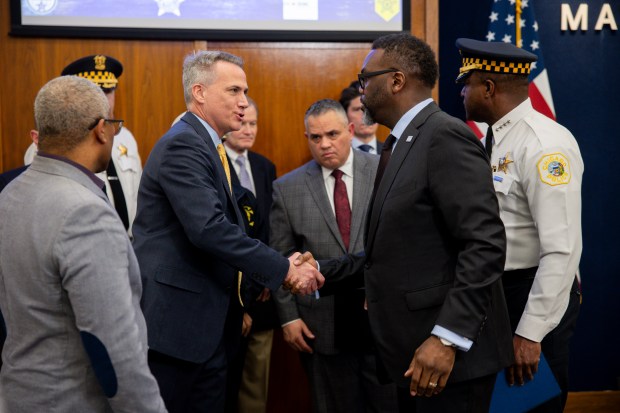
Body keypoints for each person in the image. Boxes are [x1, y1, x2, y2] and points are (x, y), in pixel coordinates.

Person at [301, 33, 514, 413]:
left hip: (446, 360)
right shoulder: (403, 143)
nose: (361, 90)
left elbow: (484, 245)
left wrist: (446, 338)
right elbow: (392, 253)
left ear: (396, 81)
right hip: (410, 354)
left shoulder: (443, 136)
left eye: (366, 79)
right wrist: (319, 271)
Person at [131, 50, 323, 413]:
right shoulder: (184, 143)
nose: (244, 103)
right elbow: (209, 229)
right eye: (234, 91)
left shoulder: (210, 144)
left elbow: (241, 222)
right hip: (178, 330)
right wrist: (283, 270)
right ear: (200, 92)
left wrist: (280, 263)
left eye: (245, 92)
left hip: (211, 326)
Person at [0, 75, 166, 412]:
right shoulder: (85, 212)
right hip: (72, 400)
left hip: (20, 393)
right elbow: (113, 346)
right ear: (101, 130)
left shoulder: (11, 194)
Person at [456, 38, 583, 412]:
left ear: (489, 88)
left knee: (530, 404)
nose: (463, 92)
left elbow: (562, 250)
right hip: (497, 292)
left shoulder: (544, 145)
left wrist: (530, 333)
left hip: (530, 293)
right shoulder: (495, 137)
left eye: (468, 83)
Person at [271, 99, 398, 413]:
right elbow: (279, 259)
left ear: (351, 130)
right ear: (308, 139)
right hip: (321, 326)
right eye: (316, 137)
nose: (325, 144)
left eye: (332, 134)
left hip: (381, 321)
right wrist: (289, 317)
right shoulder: (287, 189)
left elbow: (401, 242)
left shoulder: (386, 170)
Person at [24, 55, 142, 237]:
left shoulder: (125, 138)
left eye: (108, 90)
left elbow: (137, 198)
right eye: (93, 93)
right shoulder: (48, 146)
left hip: (129, 244)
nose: (102, 99)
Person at [222, 97, 279, 413]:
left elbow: (270, 228)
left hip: (264, 292)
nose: (247, 129)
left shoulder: (264, 166)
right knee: (226, 384)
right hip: (228, 293)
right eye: (242, 122)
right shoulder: (215, 164)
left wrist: (269, 274)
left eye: (253, 123)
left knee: (257, 385)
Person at [339, 80, 383, 154]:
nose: (365, 115)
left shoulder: (393, 152)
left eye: (370, 108)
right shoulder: (338, 154)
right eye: (357, 109)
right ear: (345, 115)